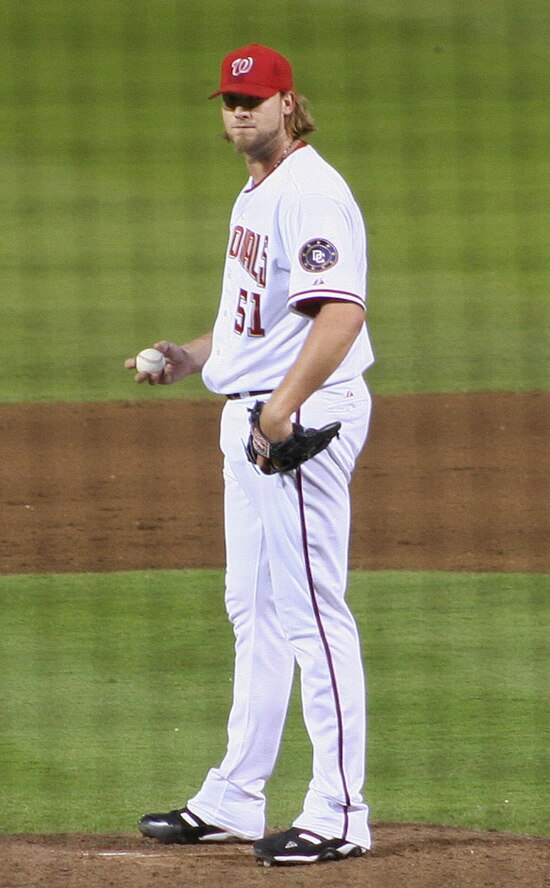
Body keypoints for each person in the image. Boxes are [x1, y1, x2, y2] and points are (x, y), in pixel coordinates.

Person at [126, 43, 375, 867]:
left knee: (311, 613)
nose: (238, 112)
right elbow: (260, 325)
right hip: (256, 418)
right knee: (256, 610)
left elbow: (338, 315)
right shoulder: (257, 189)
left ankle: (340, 811)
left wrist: (278, 411)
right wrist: (197, 356)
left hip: (297, 424)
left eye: (254, 100)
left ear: (288, 103)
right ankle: (237, 794)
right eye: (229, 100)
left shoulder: (310, 191)